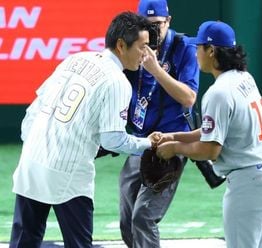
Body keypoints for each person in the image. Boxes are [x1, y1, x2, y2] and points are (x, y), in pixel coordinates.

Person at [9, 11, 161, 248]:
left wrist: (34, 147)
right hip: (68, 175)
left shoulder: (75, 59)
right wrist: (147, 144)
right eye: (142, 47)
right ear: (121, 45)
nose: (147, 54)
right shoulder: (117, 81)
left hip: (31, 163)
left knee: (23, 243)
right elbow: (112, 140)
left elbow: (33, 112)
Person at [156, 21, 262, 248]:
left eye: (199, 47)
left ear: (211, 50)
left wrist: (175, 148)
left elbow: (210, 150)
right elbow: (216, 131)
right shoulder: (243, 78)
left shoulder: (218, 93)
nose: (196, 52)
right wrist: (176, 136)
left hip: (249, 183)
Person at [119, 0, 199, 247]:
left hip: (171, 141)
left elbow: (188, 98)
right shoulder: (134, 47)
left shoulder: (183, 47)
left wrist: (156, 70)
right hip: (142, 139)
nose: (154, 32)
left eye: (158, 25)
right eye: (147, 26)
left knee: (144, 216)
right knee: (127, 215)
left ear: (169, 21)